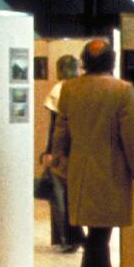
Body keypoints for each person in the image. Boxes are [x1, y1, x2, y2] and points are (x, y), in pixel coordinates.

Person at [50, 38, 134, 267]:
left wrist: (60, 163)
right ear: (111, 61)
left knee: (97, 230)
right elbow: (130, 138)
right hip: (113, 170)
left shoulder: (69, 89)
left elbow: (61, 132)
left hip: (80, 171)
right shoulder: (122, 91)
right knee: (100, 233)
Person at [40, 53, 84, 253]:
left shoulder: (59, 90)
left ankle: (67, 237)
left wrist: (50, 151)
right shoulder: (83, 88)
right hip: (81, 149)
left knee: (60, 196)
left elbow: (55, 126)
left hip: (63, 151)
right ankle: (73, 236)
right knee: (74, 195)